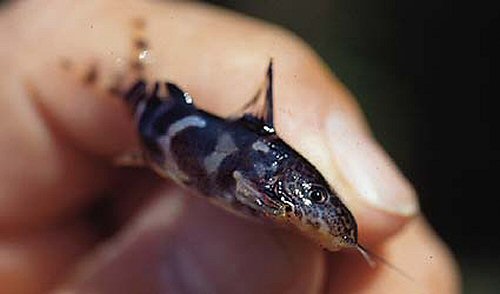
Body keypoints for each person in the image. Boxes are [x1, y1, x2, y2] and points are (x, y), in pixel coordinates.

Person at [0, 0, 459, 293]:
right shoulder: (266, 187)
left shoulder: (273, 200)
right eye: (315, 195)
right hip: (164, 136)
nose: (318, 205)